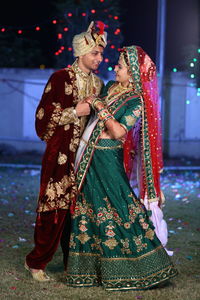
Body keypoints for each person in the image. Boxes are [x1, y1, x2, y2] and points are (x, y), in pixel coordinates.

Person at [65, 45, 178, 291]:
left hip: (107, 158)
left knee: (120, 206)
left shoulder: (135, 99)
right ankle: (90, 271)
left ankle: (148, 266)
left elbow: (117, 132)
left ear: (133, 73)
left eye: (121, 66)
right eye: (117, 64)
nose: (115, 68)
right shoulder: (109, 88)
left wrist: (99, 106)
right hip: (91, 157)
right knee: (90, 208)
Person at [25, 21, 107, 282]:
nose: (99, 58)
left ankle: (75, 262)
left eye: (101, 53)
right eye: (95, 53)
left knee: (80, 210)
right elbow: (42, 117)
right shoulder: (60, 78)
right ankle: (37, 263)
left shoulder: (99, 84)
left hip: (86, 156)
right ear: (81, 52)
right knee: (54, 207)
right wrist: (75, 112)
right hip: (61, 153)